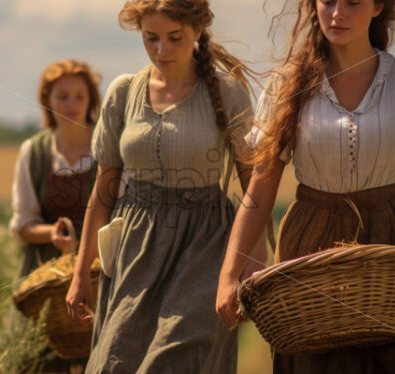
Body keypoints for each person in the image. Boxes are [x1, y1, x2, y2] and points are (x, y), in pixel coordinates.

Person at [215, 0, 395, 373]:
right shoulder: (290, 84)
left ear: (378, 6)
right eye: (328, 1)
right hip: (312, 248)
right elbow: (261, 188)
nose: (337, 14)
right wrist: (228, 276)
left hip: (394, 244)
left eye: (352, 3)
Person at [65, 0, 267, 372]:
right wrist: (81, 274)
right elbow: (103, 189)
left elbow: (254, 180)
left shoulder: (225, 90)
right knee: (116, 361)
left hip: (206, 246)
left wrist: (255, 258)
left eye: (174, 38)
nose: (161, 50)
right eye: (150, 38)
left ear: (197, 31)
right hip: (134, 251)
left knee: (176, 361)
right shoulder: (123, 92)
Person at [8, 59, 101, 374]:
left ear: (91, 100)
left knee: (101, 357)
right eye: (63, 96)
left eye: (79, 95)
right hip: (43, 274)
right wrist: (51, 235)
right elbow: (22, 222)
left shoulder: (107, 148)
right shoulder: (32, 152)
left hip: (98, 270)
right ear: (47, 100)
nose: (71, 104)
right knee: (36, 362)